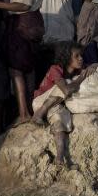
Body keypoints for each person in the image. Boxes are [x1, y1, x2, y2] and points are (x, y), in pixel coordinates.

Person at [32, 42, 91, 170]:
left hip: (53, 105)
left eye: (81, 55)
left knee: (60, 121)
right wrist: (80, 78)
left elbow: (92, 69)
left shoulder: (76, 71)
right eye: (77, 56)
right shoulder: (55, 69)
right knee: (66, 86)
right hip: (40, 101)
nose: (81, 58)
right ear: (66, 58)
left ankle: (61, 159)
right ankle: (39, 114)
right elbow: (67, 91)